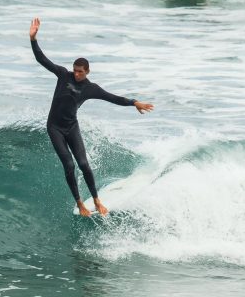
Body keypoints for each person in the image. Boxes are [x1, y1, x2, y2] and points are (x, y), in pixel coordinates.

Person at [29, 17, 154, 217]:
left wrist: (133, 102)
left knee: (84, 164)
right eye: (75, 70)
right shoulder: (63, 74)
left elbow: (112, 98)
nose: (76, 74)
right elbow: (42, 59)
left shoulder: (90, 88)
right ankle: (80, 203)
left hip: (71, 127)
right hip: (55, 128)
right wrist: (33, 39)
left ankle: (96, 199)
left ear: (87, 72)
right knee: (69, 164)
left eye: (80, 72)